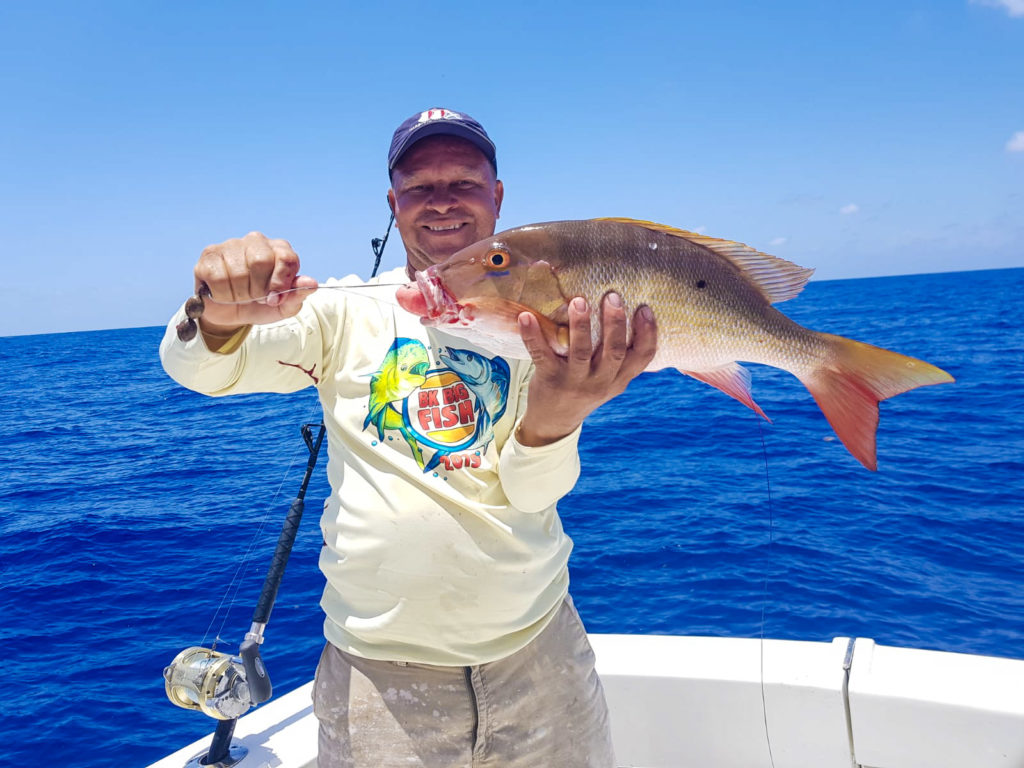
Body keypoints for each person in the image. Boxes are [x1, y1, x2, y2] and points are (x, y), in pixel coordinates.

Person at [160, 107, 657, 767]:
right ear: (393, 204)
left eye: (464, 183)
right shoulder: (340, 312)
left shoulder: (544, 319)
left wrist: (561, 412)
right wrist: (217, 311)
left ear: (498, 196)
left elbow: (535, 489)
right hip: (380, 684)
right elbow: (201, 367)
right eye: (420, 187)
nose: (443, 202)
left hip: (542, 658)